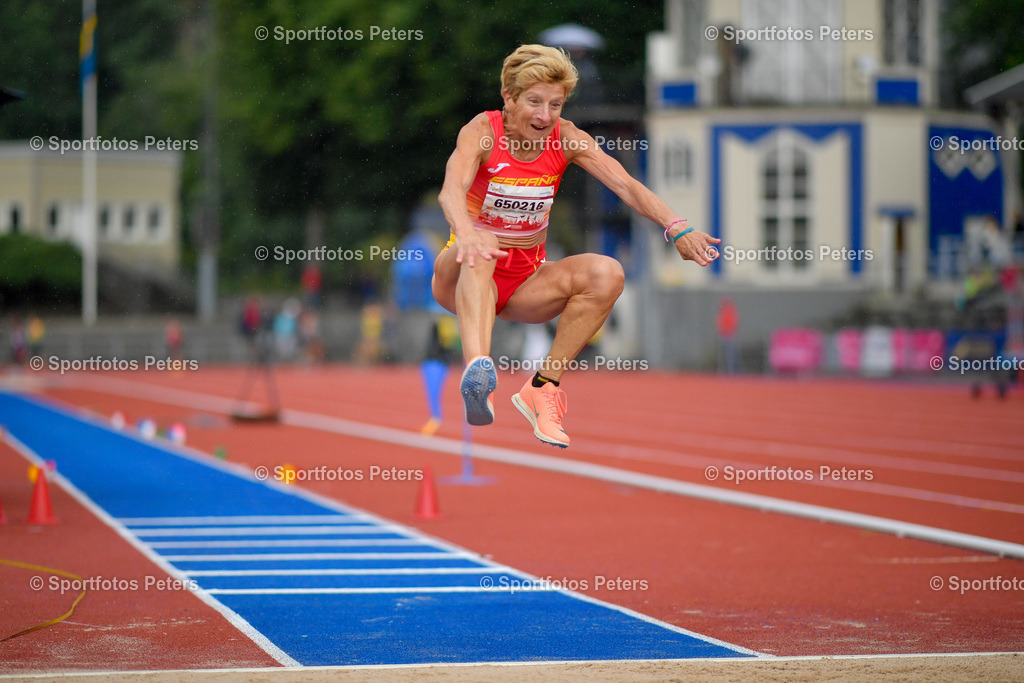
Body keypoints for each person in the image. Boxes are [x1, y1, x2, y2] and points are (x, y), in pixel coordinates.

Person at [431, 44, 720, 448]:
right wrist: (468, 231)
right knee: (486, 243)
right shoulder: (481, 133)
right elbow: (450, 193)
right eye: (534, 102)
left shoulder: (567, 138)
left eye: (556, 104)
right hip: (463, 274)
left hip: (524, 285)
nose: (545, 116)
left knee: (607, 273)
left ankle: (543, 387)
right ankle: (479, 370)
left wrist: (676, 226)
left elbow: (626, 186)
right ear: (508, 98)